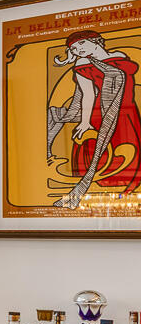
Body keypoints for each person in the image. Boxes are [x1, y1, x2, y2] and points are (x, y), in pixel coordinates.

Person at [49, 29, 141, 208]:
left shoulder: (120, 56)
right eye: (74, 49)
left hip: (127, 113)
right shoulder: (83, 63)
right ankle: (100, 193)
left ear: (96, 40)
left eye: (81, 43)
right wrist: (85, 122)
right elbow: (88, 95)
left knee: (130, 152)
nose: (78, 50)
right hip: (102, 113)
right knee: (103, 154)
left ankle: (126, 195)